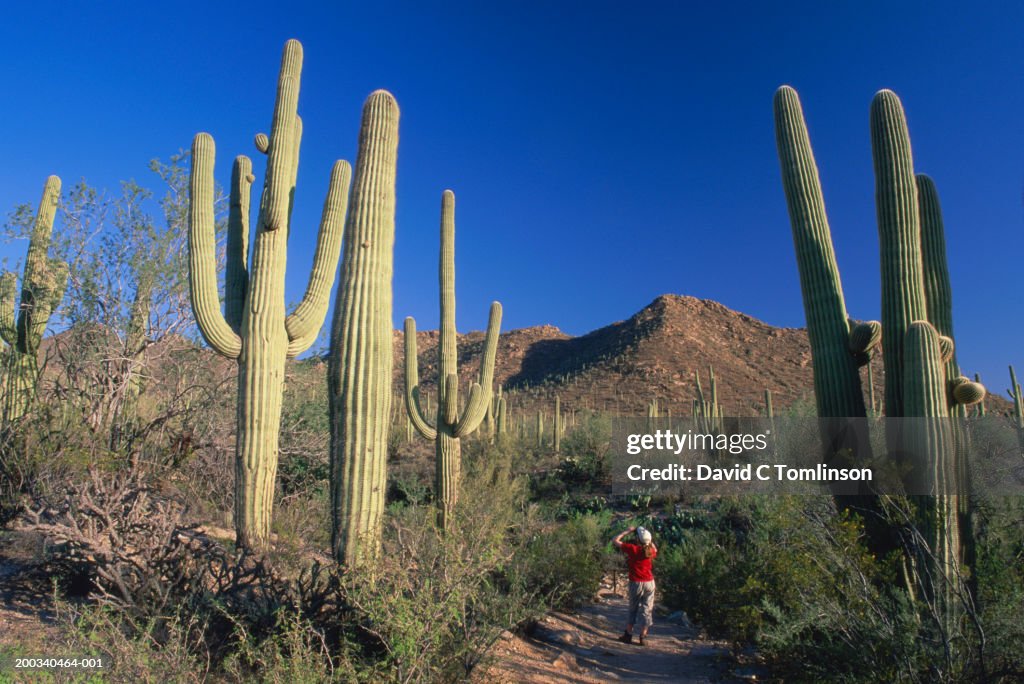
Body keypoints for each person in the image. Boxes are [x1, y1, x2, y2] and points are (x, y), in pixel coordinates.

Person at [612, 525, 658, 646]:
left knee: (633, 609)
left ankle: (628, 634)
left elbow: (615, 540)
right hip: (649, 582)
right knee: (647, 609)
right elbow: (655, 549)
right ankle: (643, 636)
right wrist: (649, 540)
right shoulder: (650, 552)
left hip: (636, 582)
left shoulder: (633, 549)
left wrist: (627, 531)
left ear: (638, 539)